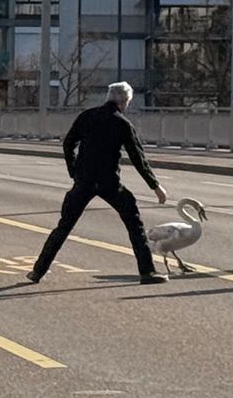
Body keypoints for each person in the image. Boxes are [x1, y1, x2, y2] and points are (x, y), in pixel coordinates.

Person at [27, 82, 170, 285]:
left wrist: (74, 171)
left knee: (64, 226)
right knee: (134, 223)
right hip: (109, 183)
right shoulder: (123, 124)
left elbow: (68, 144)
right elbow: (138, 158)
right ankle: (147, 272)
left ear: (108, 97)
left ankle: (37, 271)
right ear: (125, 101)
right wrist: (155, 187)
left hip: (83, 181)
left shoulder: (87, 116)